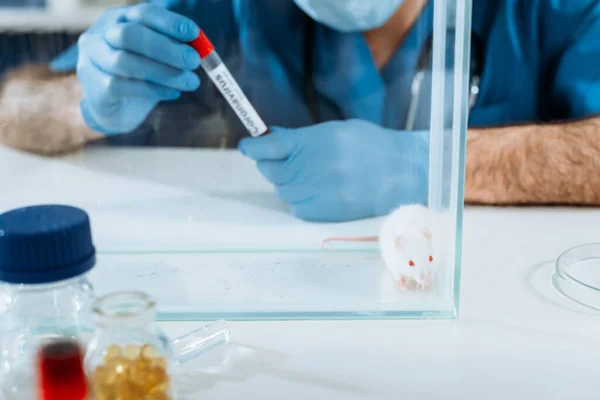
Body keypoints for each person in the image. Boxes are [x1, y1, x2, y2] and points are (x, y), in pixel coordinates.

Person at [1, 0, 600, 222]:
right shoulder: (229, 9)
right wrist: (87, 100)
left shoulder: (554, 8)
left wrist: (433, 166)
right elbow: (12, 107)